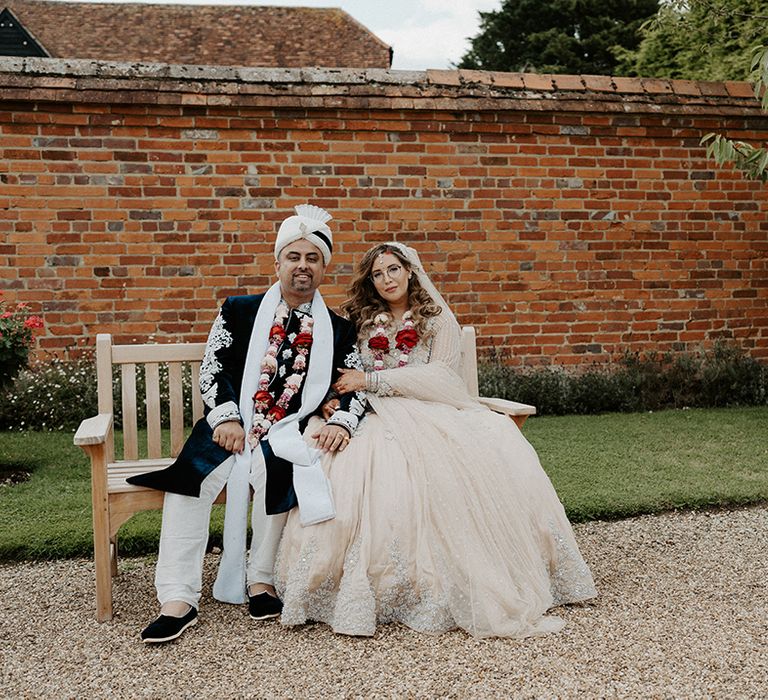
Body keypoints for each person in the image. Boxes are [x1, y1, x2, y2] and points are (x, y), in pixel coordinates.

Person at [274, 242, 597, 638]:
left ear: (410, 271)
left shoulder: (437, 319)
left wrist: (373, 380)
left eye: (393, 270)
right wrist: (331, 399)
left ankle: (444, 583)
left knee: (452, 471)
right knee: (340, 461)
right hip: (369, 413)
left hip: (431, 413)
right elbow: (339, 368)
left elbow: (443, 378)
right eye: (377, 274)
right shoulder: (360, 320)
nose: (386, 279)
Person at [128, 204, 366, 643]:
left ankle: (261, 580)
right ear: (277, 262)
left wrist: (344, 421)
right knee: (189, 483)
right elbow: (212, 366)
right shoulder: (238, 310)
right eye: (293, 256)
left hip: (288, 428)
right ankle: (178, 599)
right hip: (230, 425)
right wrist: (228, 417)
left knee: (283, 468)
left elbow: (354, 384)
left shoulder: (339, 328)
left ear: (323, 269)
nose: (302, 266)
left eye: (312, 258)